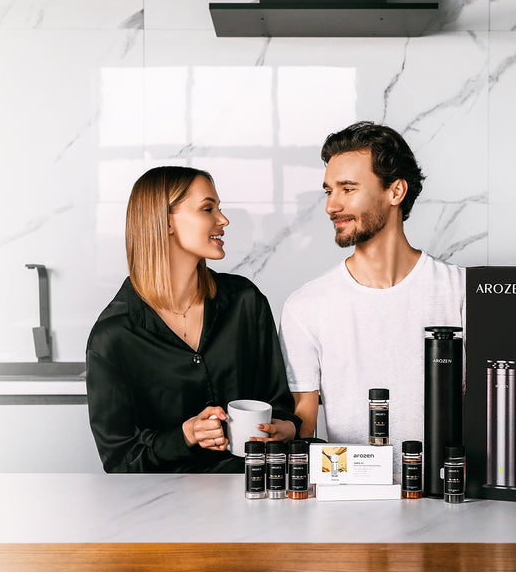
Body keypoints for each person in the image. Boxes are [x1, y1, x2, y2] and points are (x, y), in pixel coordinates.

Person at [86, 166, 300, 473]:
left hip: (251, 497)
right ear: (166, 221)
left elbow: (280, 407)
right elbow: (120, 460)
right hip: (165, 509)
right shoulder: (114, 335)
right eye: (208, 209)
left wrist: (285, 429)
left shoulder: (246, 302)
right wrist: (185, 435)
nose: (223, 220)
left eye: (219, 209)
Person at [280, 121, 465, 447]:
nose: (331, 206)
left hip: (445, 493)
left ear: (395, 191)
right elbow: (302, 429)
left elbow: (486, 411)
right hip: (350, 493)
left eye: (347, 189)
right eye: (329, 190)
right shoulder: (305, 307)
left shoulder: (462, 291)